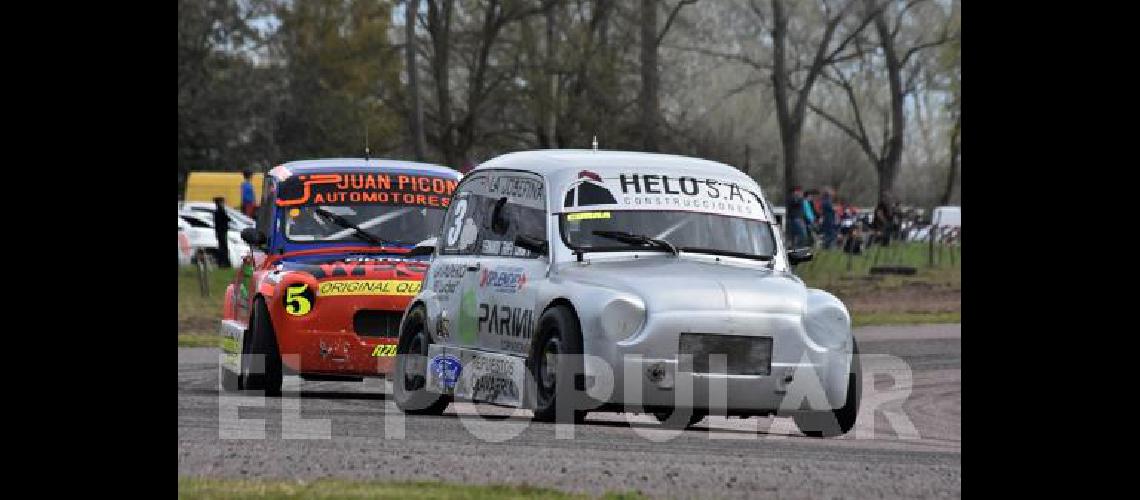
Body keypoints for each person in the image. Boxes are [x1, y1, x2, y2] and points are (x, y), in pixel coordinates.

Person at [214, 196, 232, 268]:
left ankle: (222, 263)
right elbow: (227, 219)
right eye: (222, 202)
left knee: (222, 247)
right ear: (219, 203)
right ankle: (224, 263)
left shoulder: (218, 211)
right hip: (222, 232)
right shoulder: (220, 211)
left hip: (220, 232)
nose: (223, 203)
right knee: (223, 248)